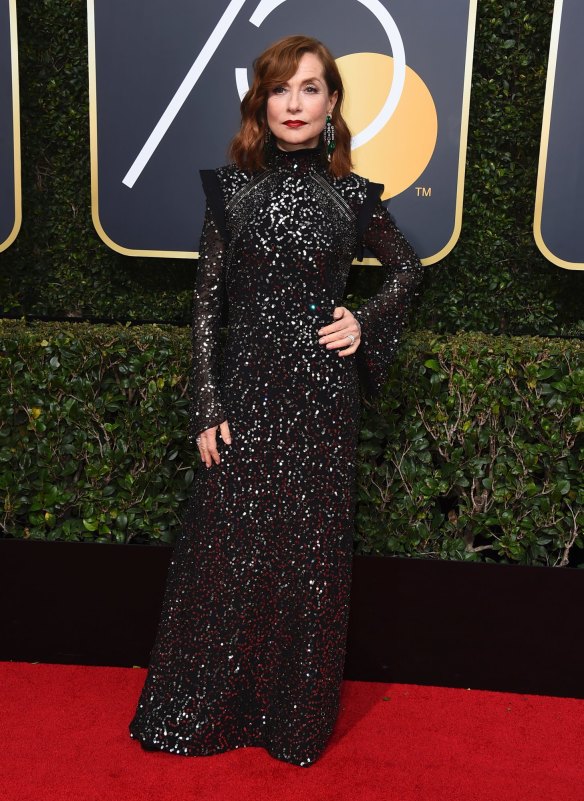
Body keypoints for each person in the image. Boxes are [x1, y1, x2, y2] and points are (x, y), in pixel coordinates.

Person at [129, 34, 423, 767]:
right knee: (226, 551)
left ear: (331, 105)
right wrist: (206, 403)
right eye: (281, 89)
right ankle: (207, 709)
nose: (295, 102)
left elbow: (408, 270)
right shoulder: (231, 191)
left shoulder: (353, 197)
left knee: (306, 557)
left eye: (311, 88)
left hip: (322, 399)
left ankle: (291, 718)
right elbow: (206, 304)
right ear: (261, 103)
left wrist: (364, 318)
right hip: (248, 394)